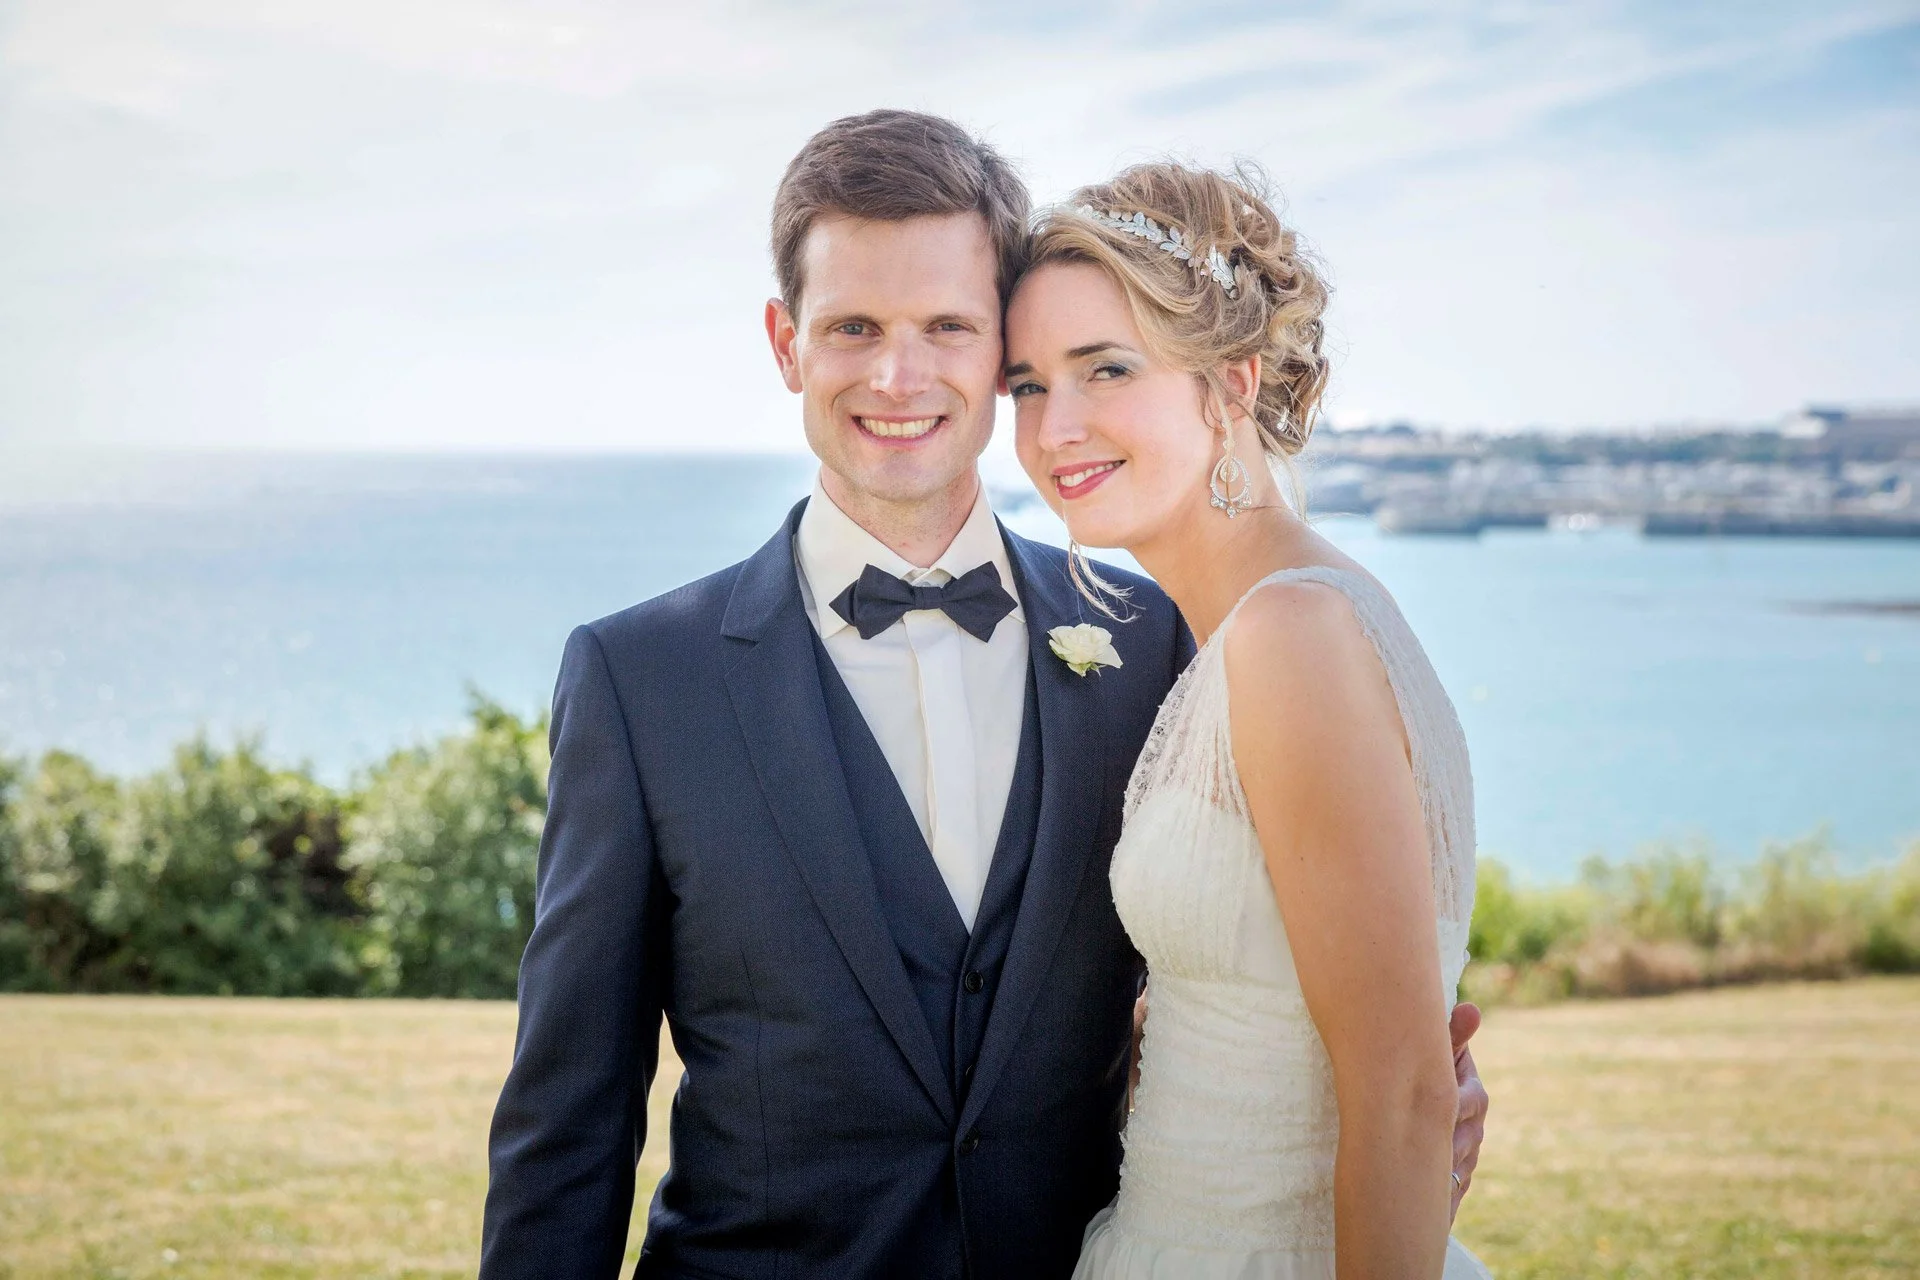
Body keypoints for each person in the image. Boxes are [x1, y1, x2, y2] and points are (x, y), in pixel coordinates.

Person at [480, 110, 1487, 1280]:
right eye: (853, 325)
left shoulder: (1159, 637)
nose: (899, 376)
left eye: (951, 329)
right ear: (784, 342)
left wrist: (1387, 1108)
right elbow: (568, 1123)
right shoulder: (642, 680)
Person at [1003, 161, 1492, 1278]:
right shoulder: (1250, 630)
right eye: (1028, 385)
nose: (1054, 428)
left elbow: (1406, 1094)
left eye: (1106, 369)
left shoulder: (1292, 637)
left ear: (1231, 383)